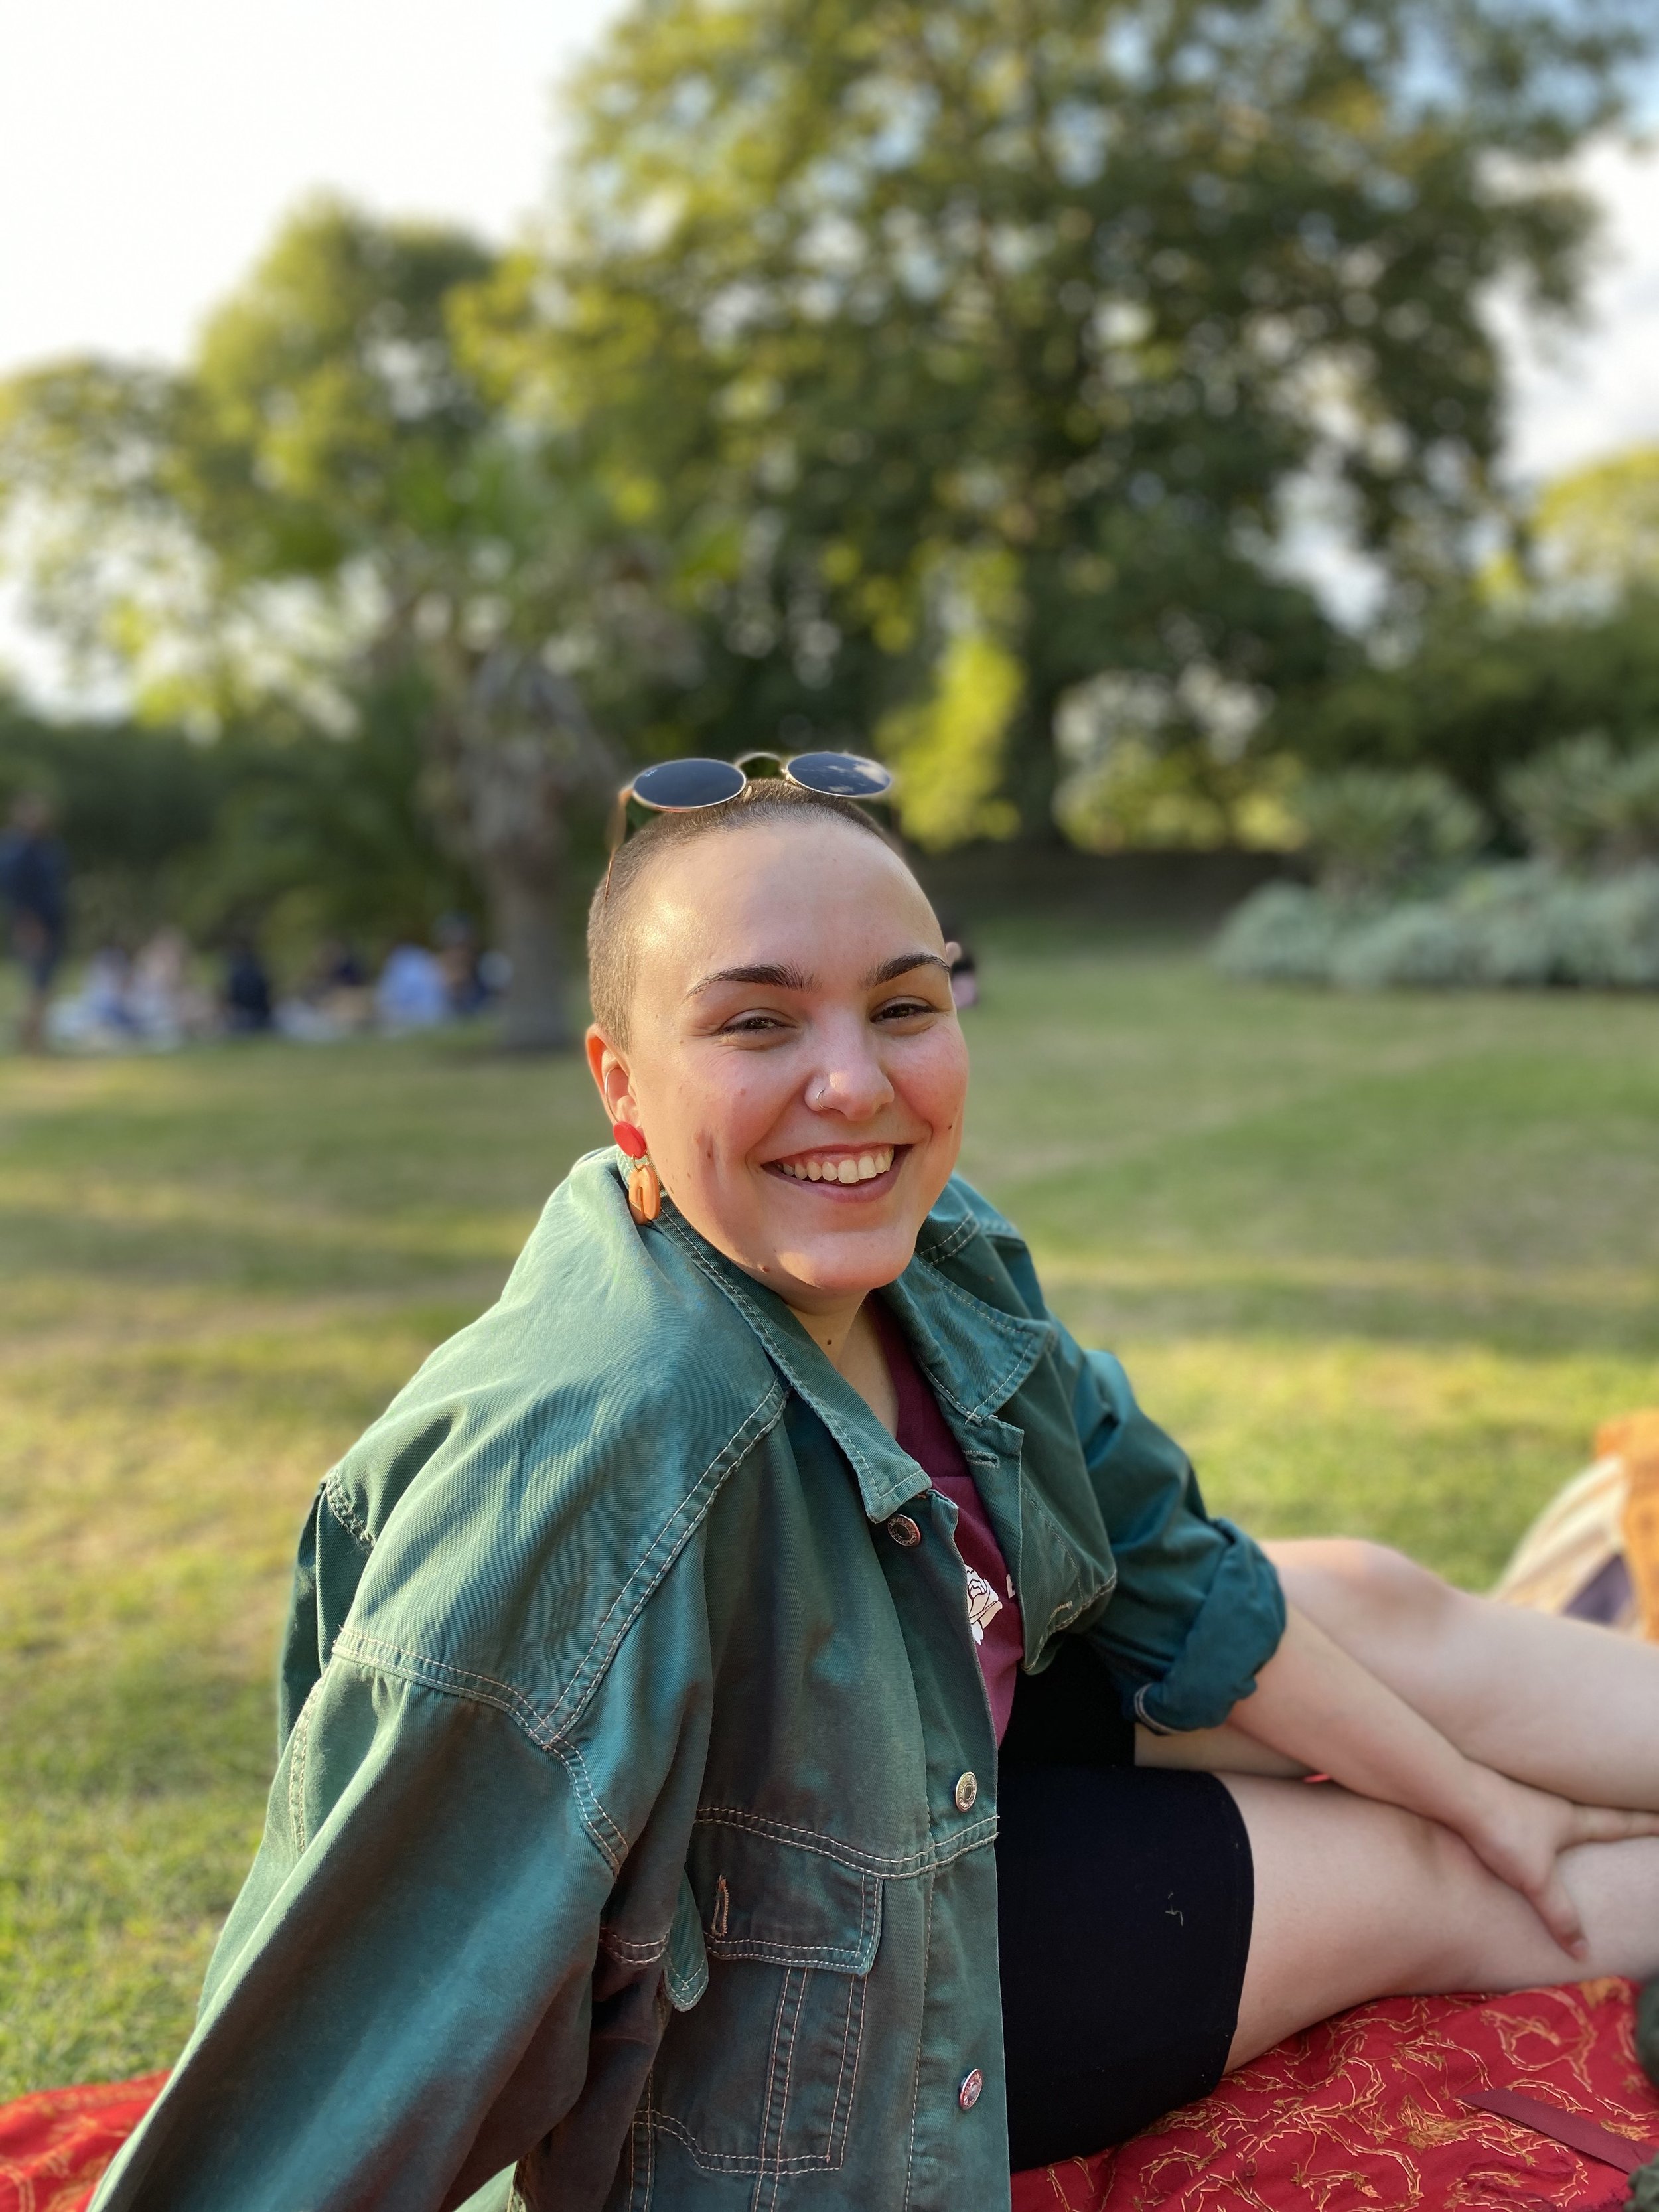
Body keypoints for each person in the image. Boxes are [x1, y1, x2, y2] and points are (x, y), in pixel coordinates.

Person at [90, 770, 1659, 2212]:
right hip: (840, 1999)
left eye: (901, 1006)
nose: (853, 1083)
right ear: (621, 1085)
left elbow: (1177, 1577)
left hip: (936, 1748)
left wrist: (1483, 1786)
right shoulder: (595, 1461)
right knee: (1422, 1879)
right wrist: (1471, 1834)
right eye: (759, 1025)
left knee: (1373, 1604)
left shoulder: (944, 1258)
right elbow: (374, 1981)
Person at [0, 792, 70, 1052]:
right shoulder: (15, 850)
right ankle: (31, 1038)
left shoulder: (48, 846)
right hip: (33, 924)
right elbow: (15, 892)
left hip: (53, 921)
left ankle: (35, 1035)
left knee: (46, 982)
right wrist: (28, 924)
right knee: (37, 981)